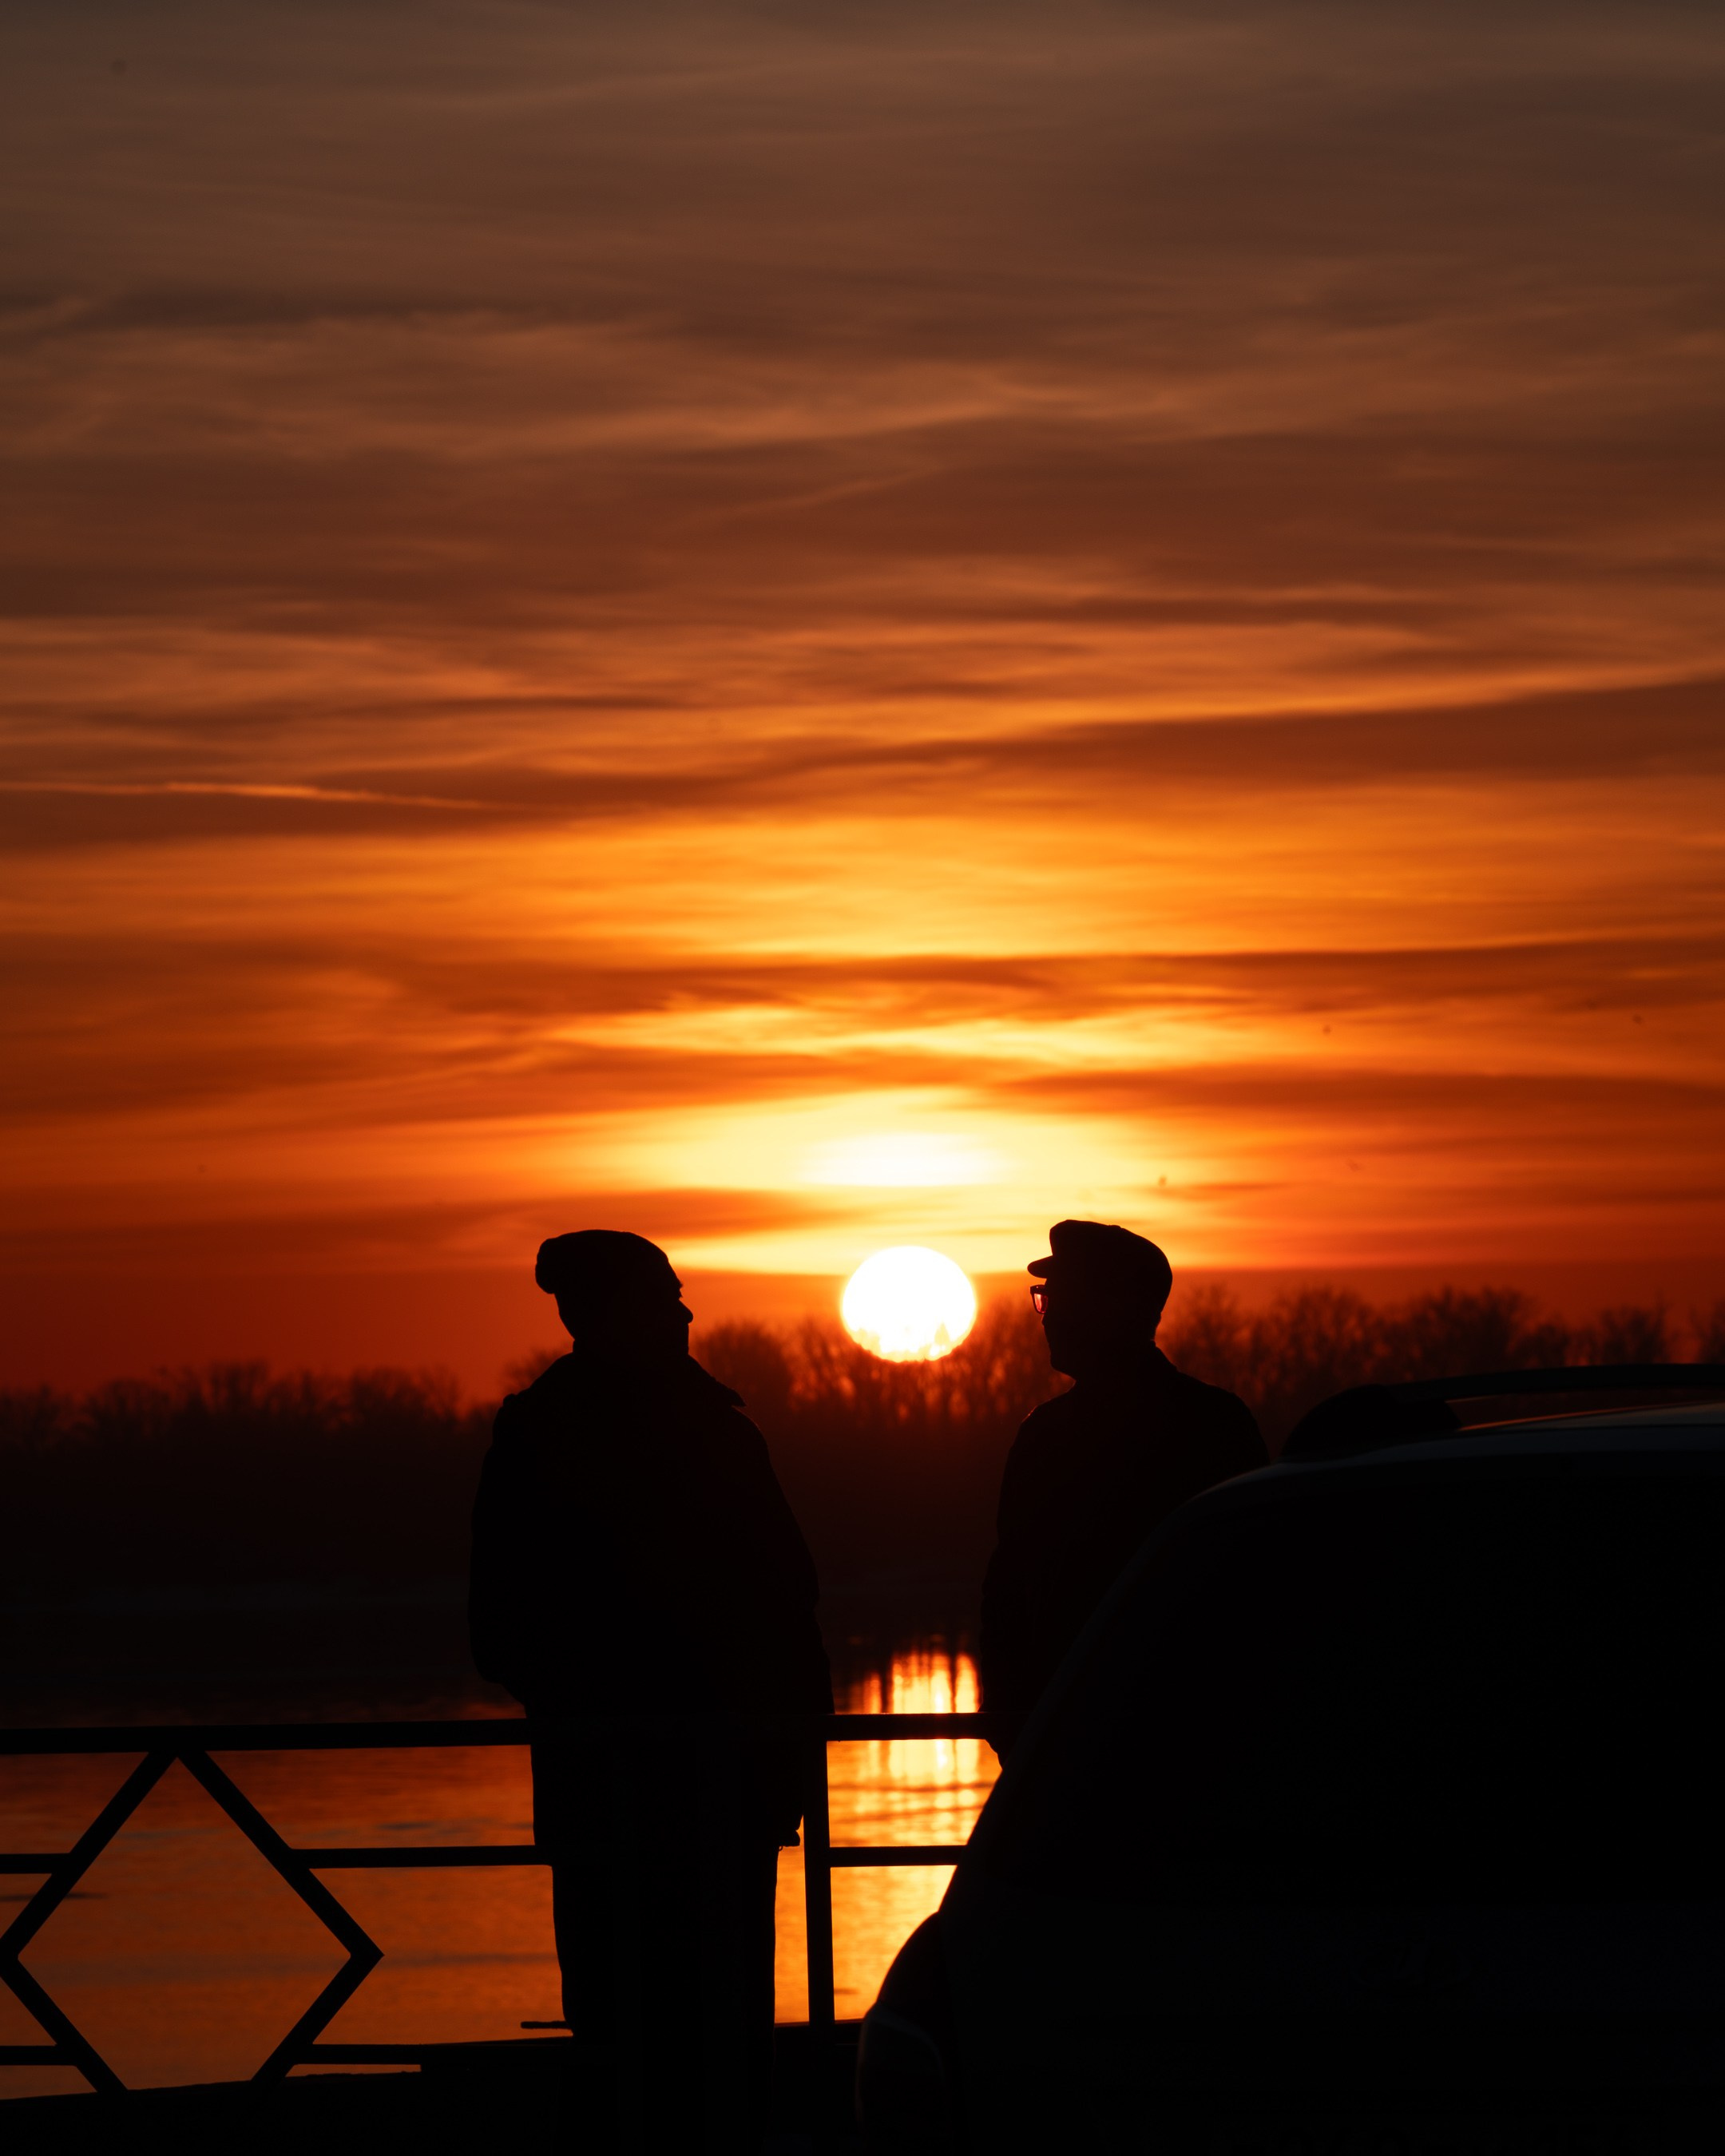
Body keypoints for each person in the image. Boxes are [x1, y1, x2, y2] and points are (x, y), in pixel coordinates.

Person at [470, 1229, 831, 2149]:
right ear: (613, 1312)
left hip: (673, 1791)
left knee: (643, 2032)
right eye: (665, 1296)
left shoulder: (607, 1430)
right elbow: (785, 1601)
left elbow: (785, 1601)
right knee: (688, 2033)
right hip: (677, 1789)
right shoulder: (665, 1433)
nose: (685, 1311)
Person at [980, 1219, 1266, 1740]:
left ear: (1112, 1308)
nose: (1047, 1316)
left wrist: (1013, 1723)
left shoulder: (1054, 1437)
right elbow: (1010, 1594)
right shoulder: (1216, 1422)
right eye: (1045, 1296)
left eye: (1059, 1297)